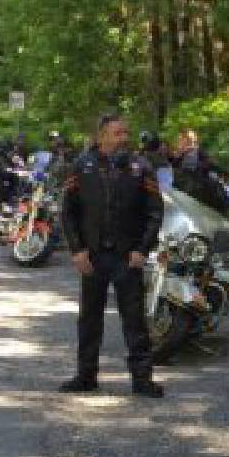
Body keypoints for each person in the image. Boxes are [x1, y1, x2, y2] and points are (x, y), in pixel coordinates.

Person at [58, 115, 167, 398]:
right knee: (89, 318)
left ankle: (142, 379)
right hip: (92, 254)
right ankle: (86, 375)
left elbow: (155, 211)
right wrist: (76, 249)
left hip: (126, 255)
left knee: (134, 319)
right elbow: (68, 211)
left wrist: (142, 248)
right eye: (118, 133)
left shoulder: (140, 167)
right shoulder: (81, 165)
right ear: (101, 136)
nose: (124, 138)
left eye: (126, 133)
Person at [171, 128, 226, 209]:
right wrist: (179, 155)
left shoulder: (201, 152)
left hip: (200, 190)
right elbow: (172, 170)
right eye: (186, 139)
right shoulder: (177, 156)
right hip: (183, 190)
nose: (189, 142)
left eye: (191, 140)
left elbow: (211, 166)